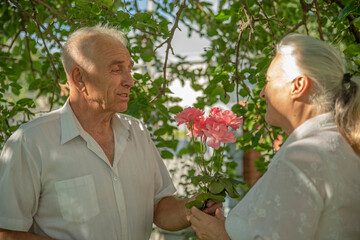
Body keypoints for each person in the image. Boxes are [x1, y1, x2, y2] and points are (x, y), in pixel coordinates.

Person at [0, 24, 219, 240]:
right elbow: (7, 232)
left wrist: (192, 208)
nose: (130, 81)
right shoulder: (30, 142)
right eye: (116, 69)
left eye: (129, 69)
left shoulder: (138, 131)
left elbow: (159, 206)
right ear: (79, 78)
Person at [188, 33, 360, 239]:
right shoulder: (341, 142)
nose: (261, 93)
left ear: (298, 86)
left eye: (268, 81)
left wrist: (219, 236)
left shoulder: (303, 156)